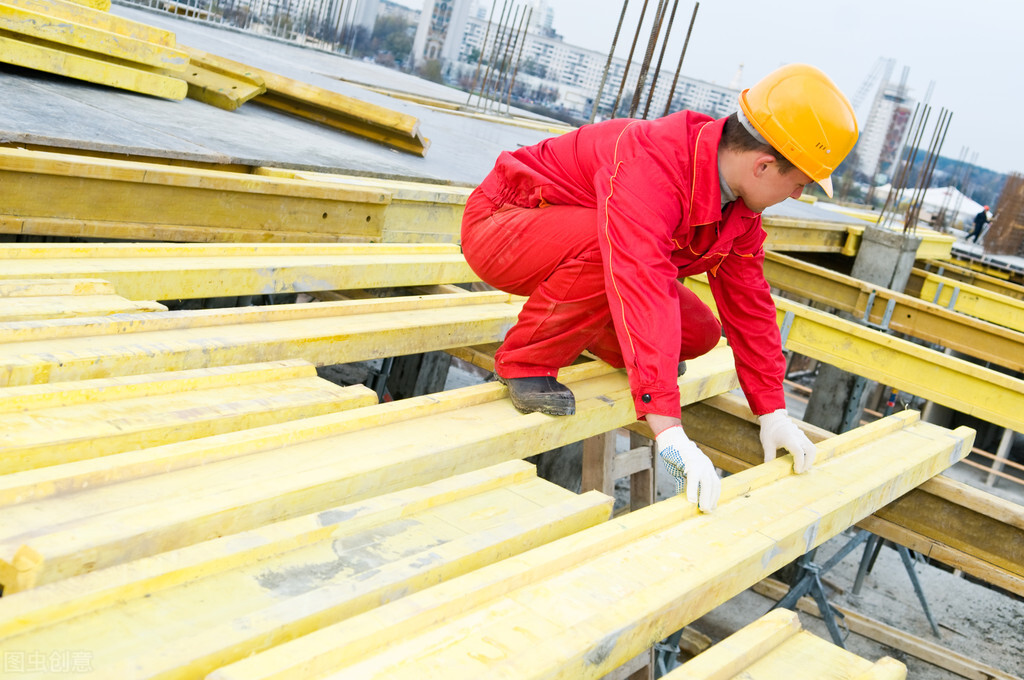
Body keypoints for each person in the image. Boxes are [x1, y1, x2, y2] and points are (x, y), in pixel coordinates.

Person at [460, 64, 859, 512]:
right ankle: (526, 360)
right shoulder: (652, 163)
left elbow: (750, 306)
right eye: (799, 184)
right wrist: (668, 430)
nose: (799, 195)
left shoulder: (741, 212)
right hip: (502, 230)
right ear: (764, 165)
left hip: (587, 254)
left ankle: (587, 335)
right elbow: (641, 279)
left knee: (698, 333)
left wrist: (773, 412)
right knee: (611, 241)